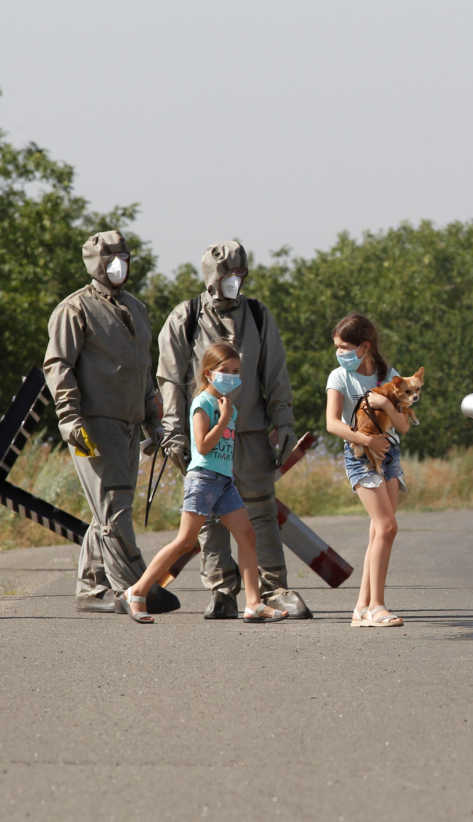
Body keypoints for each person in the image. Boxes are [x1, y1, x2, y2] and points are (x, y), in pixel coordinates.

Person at [157, 241, 308, 619]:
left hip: (252, 430)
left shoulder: (258, 315)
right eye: (228, 277)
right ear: (212, 279)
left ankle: (273, 588)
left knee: (260, 509)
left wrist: (284, 420)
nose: (235, 283)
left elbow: (275, 372)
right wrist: (174, 431)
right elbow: (170, 378)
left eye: (240, 276)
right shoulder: (185, 317)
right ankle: (222, 589)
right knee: (208, 516)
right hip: (206, 434)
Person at [43, 230, 178, 614]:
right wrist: (69, 418)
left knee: (107, 508)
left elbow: (143, 368)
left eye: (124, 257)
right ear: (94, 264)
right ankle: (136, 586)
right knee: (114, 507)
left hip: (129, 424)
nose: (119, 265)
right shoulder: (74, 310)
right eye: (110, 259)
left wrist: (154, 415)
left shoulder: (136, 308)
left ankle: (91, 588)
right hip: (91, 425)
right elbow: (58, 367)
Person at [121, 342, 288, 624]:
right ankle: (137, 592)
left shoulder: (229, 408)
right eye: (225, 371)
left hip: (223, 481)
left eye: (236, 371)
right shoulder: (203, 403)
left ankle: (253, 603)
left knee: (246, 535)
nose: (232, 376)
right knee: (185, 541)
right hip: (203, 479)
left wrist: (228, 418)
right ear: (209, 373)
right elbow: (203, 444)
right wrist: (223, 419)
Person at [324, 313, 410, 628]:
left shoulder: (390, 376)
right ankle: (377, 606)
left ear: (365, 347)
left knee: (378, 530)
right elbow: (332, 423)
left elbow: (403, 424)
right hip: (360, 455)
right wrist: (365, 439)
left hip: (389, 454)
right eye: (337, 347)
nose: (339, 353)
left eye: (344, 347)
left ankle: (361, 608)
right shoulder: (339, 378)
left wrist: (387, 406)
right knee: (387, 527)